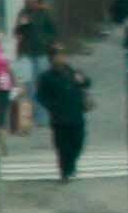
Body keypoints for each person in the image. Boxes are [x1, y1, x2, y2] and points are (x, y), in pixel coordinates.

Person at [34, 50, 93, 183]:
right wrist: (52, 106)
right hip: (59, 117)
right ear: (52, 59)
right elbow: (40, 96)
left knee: (78, 143)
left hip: (76, 114)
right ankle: (65, 171)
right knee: (62, 146)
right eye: (58, 56)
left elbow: (88, 83)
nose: (61, 58)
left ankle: (71, 165)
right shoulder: (46, 77)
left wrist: (83, 80)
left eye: (63, 56)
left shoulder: (73, 72)